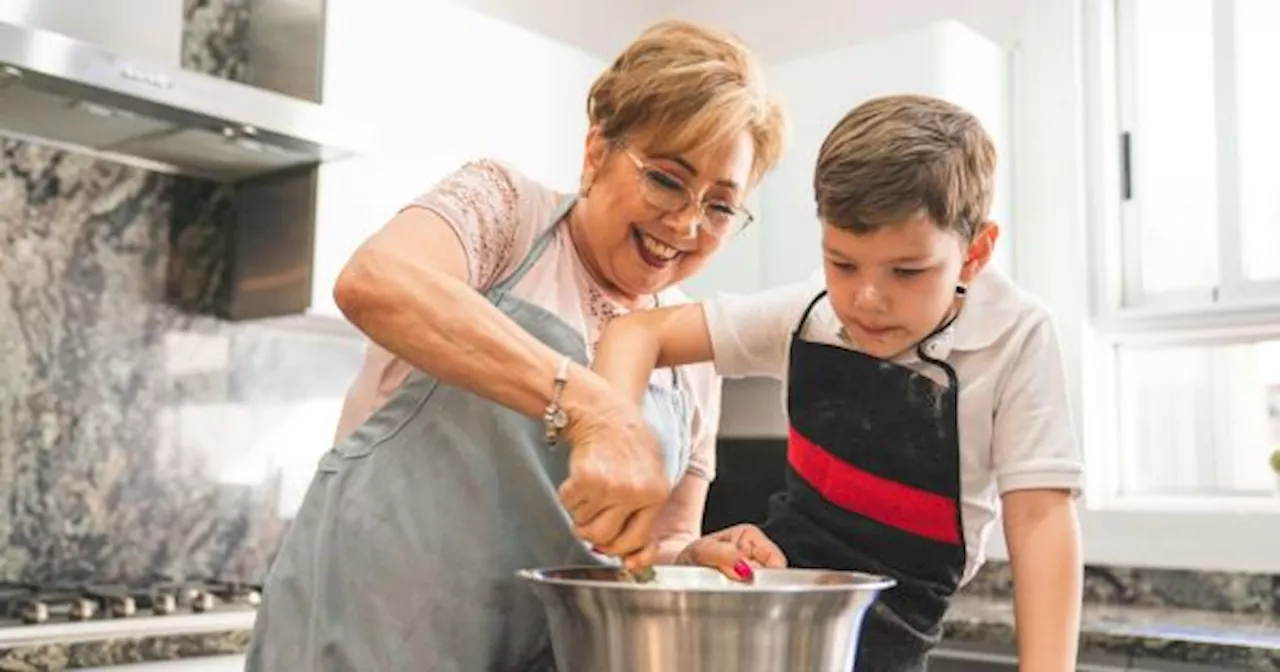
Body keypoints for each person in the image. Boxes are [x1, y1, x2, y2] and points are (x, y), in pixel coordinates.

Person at [244, 19, 788, 672]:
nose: (687, 223)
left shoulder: (689, 353)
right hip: (363, 641)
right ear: (597, 151)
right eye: (667, 180)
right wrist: (591, 404)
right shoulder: (504, 212)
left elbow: (661, 539)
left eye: (721, 207)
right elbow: (376, 281)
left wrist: (694, 559)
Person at [591, 94, 1084, 671]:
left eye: (907, 271)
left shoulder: (1015, 335)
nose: (867, 299)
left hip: (899, 632)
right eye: (842, 263)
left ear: (975, 253)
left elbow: (1040, 520)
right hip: (780, 614)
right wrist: (613, 440)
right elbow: (635, 333)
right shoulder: (810, 313)